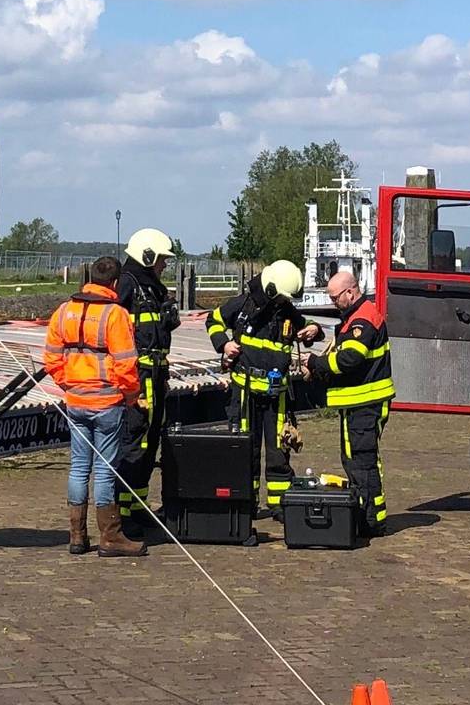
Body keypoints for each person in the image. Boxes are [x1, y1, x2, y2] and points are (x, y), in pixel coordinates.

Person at [43, 256, 147, 557]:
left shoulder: (64, 311)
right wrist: (130, 396)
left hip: (75, 400)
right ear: (115, 283)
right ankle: (110, 537)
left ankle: (77, 536)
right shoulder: (115, 315)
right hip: (107, 401)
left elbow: (51, 358)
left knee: (78, 467)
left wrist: (69, 384)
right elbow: (127, 363)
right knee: (104, 470)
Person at [206, 260, 323, 519]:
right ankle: (246, 503)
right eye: (281, 297)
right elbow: (213, 320)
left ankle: (279, 504)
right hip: (245, 392)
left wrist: (314, 329)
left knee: (278, 451)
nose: (284, 302)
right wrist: (223, 345)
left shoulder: (286, 310)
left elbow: (311, 327)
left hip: (276, 395)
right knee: (246, 450)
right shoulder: (244, 305)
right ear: (271, 290)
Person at [298, 272, 395, 537]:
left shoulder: (362, 319)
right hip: (358, 404)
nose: (332, 302)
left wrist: (315, 364)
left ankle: (371, 520)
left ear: (350, 292)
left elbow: (349, 359)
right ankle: (365, 513)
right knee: (354, 459)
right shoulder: (355, 316)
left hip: (366, 404)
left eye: (334, 297)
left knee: (362, 461)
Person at [113, 228, 181, 537]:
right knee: (134, 444)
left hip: (155, 374)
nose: (165, 265)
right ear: (148, 256)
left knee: (150, 443)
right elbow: (117, 329)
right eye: (162, 259)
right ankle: (122, 513)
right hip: (137, 377)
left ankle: (138, 507)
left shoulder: (152, 289)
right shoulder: (127, 284)